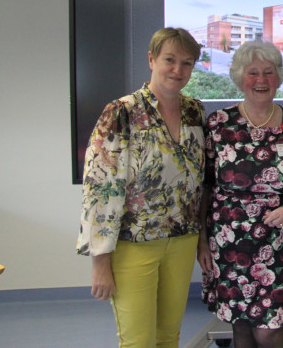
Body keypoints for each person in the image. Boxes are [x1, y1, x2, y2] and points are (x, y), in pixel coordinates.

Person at [77, 27, 205, 347]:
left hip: (182, 240)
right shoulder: (122, 111)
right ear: (151, 59)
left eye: (187, 63)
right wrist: (100, 262)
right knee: (138, 342)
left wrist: (203, 237)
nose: (178, 70)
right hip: (132, 244)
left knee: (168, 337)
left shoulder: (195, 111)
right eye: (170, 60)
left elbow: (200, 182)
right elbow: (99, 189)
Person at [198, 40, 283, 348]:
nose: (261, 80)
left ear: (278, 76)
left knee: (270, 329)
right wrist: (201, 241)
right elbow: (206, 186)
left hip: (276, 242)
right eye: (252, 73)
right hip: (228, 242)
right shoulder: (218, 124)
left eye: (268, 72)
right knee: (242, 328)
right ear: (240, 77)